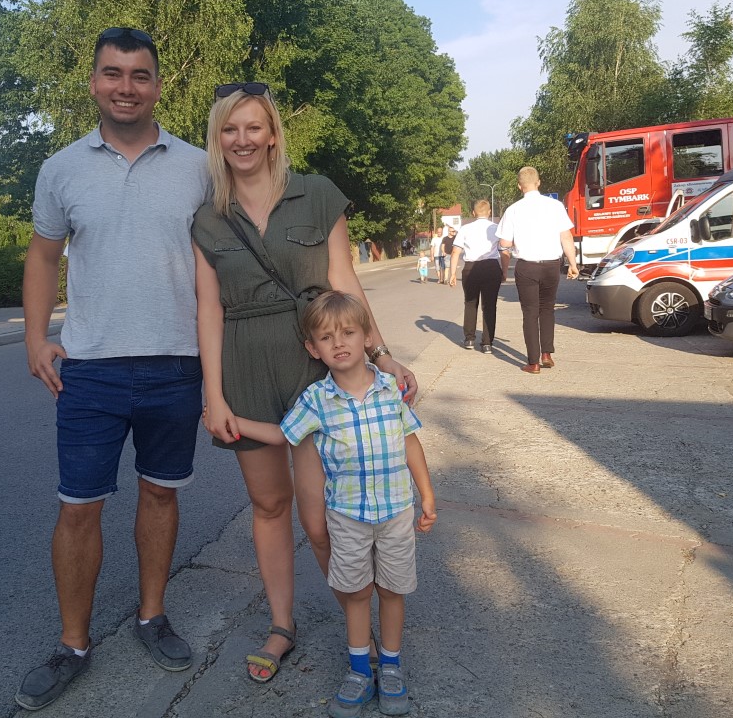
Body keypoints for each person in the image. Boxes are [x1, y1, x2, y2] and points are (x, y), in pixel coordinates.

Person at [191, 82, 417, 684]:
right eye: (230, 129)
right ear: (218, 138)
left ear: (272, 135)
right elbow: (208, 308)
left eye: (253, 127)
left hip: (316, 367)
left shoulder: (316, 194)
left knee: (321, 520)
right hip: (244, 368)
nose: (242, 140)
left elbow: (343, 278)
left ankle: (358, 629)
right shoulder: (208, 218)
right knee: (269, 505)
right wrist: (214, 394)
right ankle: (282, 625)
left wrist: (381, 354)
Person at [18, 27, 211, 711]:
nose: (125, 87)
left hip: (176, 363)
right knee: (78, 508)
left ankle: (151, 616)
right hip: (91, 368)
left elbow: (222, 260)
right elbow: (44, 255)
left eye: (139, 75)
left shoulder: (199, 166)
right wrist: (35, 339)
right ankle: (73, 644)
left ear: (158, 85)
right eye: (112, 73)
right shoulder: (61, 168)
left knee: (160, 495)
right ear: (94, 81)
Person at [231, 291, 437, 718]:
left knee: (392, 591)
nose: (339, 342)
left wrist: (427, 494)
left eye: (348, 332)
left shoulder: (390, 390)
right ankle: (360, 670)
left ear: (367, 338)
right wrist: (233, 422)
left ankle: (391, 666)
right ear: (313, 349)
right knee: (356, 593)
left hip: (396, 512)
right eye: (326, 337)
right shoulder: (315, 400)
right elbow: (282, 434)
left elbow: (410, 442)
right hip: (347, 517)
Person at [495, 166, 579, 373]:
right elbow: (566, 236)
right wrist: (573, 264)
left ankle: (533, 363)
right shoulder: (555, 206)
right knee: (547, 309)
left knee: (530, 313)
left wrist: (506, 263)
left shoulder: (513, 210)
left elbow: (505, 244)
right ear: (539, 182)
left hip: (527, 266)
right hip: (551, 265)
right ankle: (547, 354)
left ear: (519, 186)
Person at [448, 200, 510, 353]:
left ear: (473, 213)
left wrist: (452, 273)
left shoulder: (465, 229)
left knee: (470, 303)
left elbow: (455, 251)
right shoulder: (496, 229)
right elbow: (504, 252)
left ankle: (469, 339)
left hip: (471, 268)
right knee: (489, 305)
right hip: (491, 267)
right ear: (489, 212)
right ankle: (487, 343)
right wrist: (504, 271)